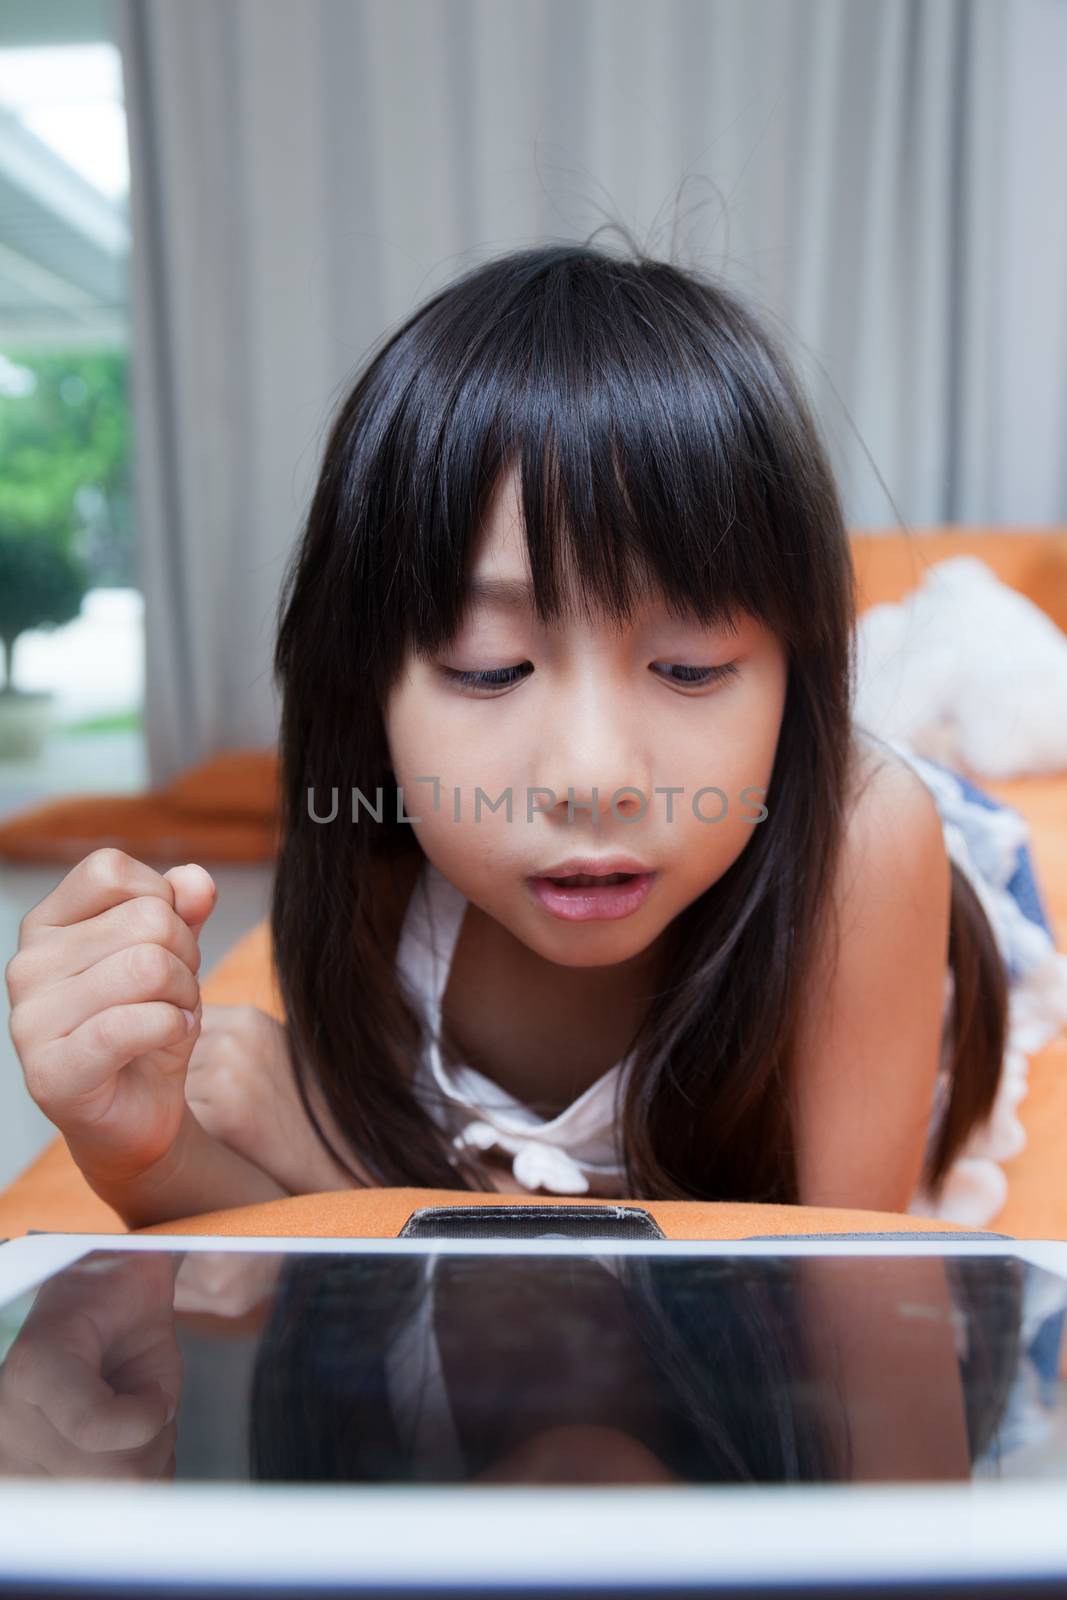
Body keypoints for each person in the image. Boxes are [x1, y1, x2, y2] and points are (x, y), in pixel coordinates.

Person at [7, 242, 1067, 1231]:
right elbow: (280, 1284)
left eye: (689, 664)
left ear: (790, 676)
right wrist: (144, 1154)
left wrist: (336, 1158)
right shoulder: (376, 856)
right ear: (363, 695)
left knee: (982, 689)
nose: (592, 775)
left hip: (883, 834)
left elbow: (824, 1320)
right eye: (488, 667)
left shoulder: (865, 842)